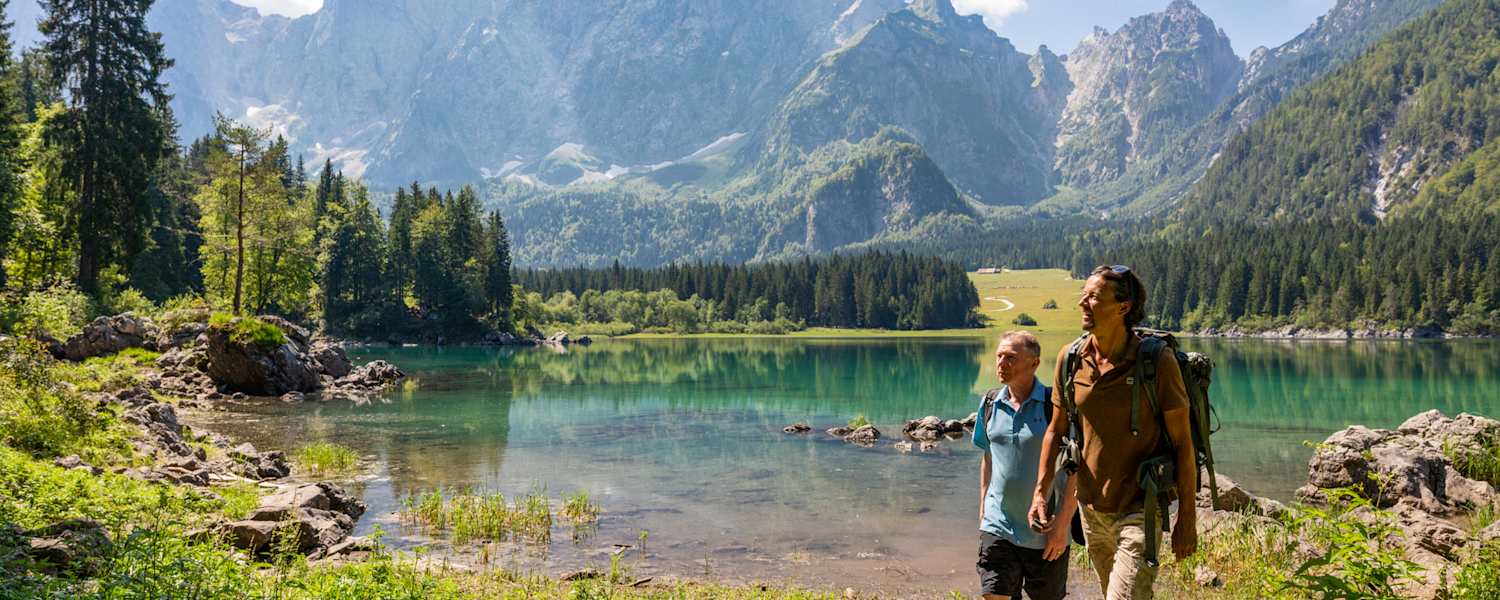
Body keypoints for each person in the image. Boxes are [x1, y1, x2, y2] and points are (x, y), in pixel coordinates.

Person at [1028, 265, 1198, 600]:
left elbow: (1182, 444)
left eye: (1093, 297)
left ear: (1123, 307)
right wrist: (1039, 493)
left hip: (1140, 510)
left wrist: (1187, 518)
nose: (1083, 303)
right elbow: (1055, 430)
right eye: (1083, 295)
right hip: (1090, 511)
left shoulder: (1157, 362)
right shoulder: (1071, 359)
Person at [974, 330, 1077, 600]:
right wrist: (984, 508)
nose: (1001, 363)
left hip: (1045, 530)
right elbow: (988, 458)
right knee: (993, 594)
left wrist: (1062, 523)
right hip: (997, 525)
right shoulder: (990, 403)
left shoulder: (1055, 407)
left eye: (1010, 357)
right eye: (999, 356)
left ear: (1034, 363)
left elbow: (1076, 470)